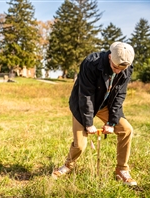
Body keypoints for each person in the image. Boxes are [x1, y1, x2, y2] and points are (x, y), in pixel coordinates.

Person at [52, 42, 137, 186]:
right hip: (83, 105)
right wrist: (88, 123)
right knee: (80, 145)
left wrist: (111, 122)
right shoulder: (91, 63)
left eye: (121, 69)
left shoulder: (127, 69)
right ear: (110, 57)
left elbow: (120, 96)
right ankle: (68, 165)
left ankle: (121, 170)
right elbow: (86, 95)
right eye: (115, 67)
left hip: (105, 106)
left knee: (127, 130)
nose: (117, 71)